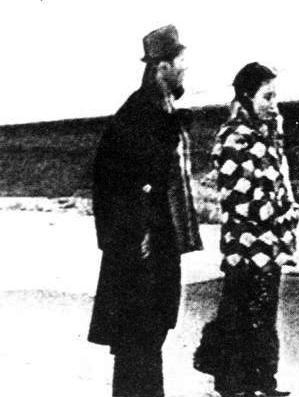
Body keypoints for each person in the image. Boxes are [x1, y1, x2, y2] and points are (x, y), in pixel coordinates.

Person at [88, 25, 203, 397]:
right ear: (161, 66)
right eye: (181, 63)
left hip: (151, 244)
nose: (186, 70)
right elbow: (112, 182)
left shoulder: (158, 110)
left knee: (147, 337)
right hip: (142, 250)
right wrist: (138, 235)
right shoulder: (140, 114)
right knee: (139, 338)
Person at [193, 62, 299, 397]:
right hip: (245, 247)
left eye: (275, 97)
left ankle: (264, 382)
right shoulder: (232, 139)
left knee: (263, 315)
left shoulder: (268, 135)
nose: (273, 104)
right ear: (246, 97)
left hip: (270, 246)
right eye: (266, 97)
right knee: (240, 314)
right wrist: (282, 215)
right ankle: (231, 383)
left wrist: (286, 212)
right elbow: (240, 199)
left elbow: (279, 185)